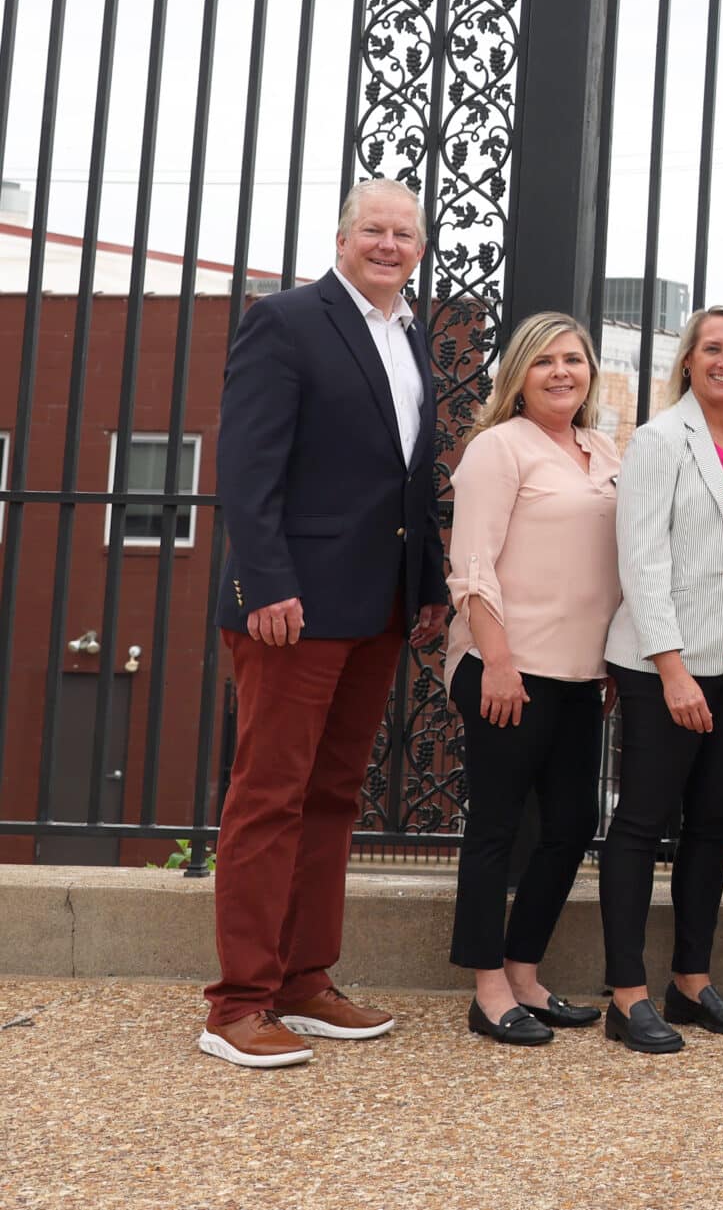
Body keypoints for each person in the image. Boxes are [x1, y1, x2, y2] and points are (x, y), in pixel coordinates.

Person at [200, 180, 450, 1069]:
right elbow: (248, 460)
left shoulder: (409, 332)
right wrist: (267, 582)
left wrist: (425, 582)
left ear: (420, 245)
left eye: (404, 232)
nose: (390, 244)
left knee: (334, 797)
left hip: (376, 604)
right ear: (342, 236)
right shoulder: (288, 320)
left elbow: (406, 473)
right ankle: (237, 1002)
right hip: (291, 605)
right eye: (374, 229)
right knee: (269, 795)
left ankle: (304, 980)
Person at [598, 305, 723, 1055]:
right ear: (688, 359)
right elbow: (641, 560)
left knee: (713, 821)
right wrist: (671, 666)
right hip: (668, 667)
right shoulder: (657, 440)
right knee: (643, 820)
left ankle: (690, 978)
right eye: (712, 347)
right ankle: (626, 993)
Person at [445, 312, 620, 1046]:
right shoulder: (497, 448)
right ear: (519, 372)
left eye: (574, 359)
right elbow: (472, 565)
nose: (561, 372)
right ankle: (487, 990)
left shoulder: (604, 449)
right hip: (506, 669)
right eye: (545, 360)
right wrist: (498, 660)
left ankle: (524, 969)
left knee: (573, 823)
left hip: (581, 673)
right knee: (497, 824)